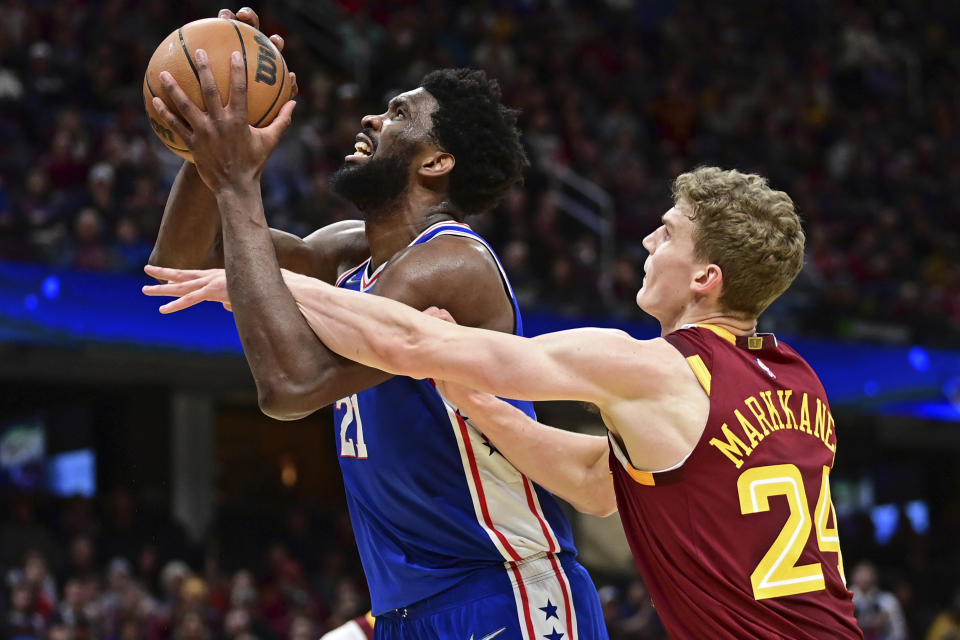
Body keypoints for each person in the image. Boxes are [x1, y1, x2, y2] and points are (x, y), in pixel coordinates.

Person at [146, 167, 865, 639]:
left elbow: (410, 347)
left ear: (705, 276)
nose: (648, 240)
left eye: (668, 232)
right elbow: (599, 484)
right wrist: (480, 407)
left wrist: (255, 278)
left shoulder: (651, 368)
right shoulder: (797, 382)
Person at [146, 8, 608, 639]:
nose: (370, 117)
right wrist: (214, 134)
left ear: (436, 163)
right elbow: (179, 262)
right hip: (404, 610)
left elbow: (292, 386)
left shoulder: (453, 263)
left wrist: (236, 183)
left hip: (504, 588)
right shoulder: (346, 251)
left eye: (397, 114)